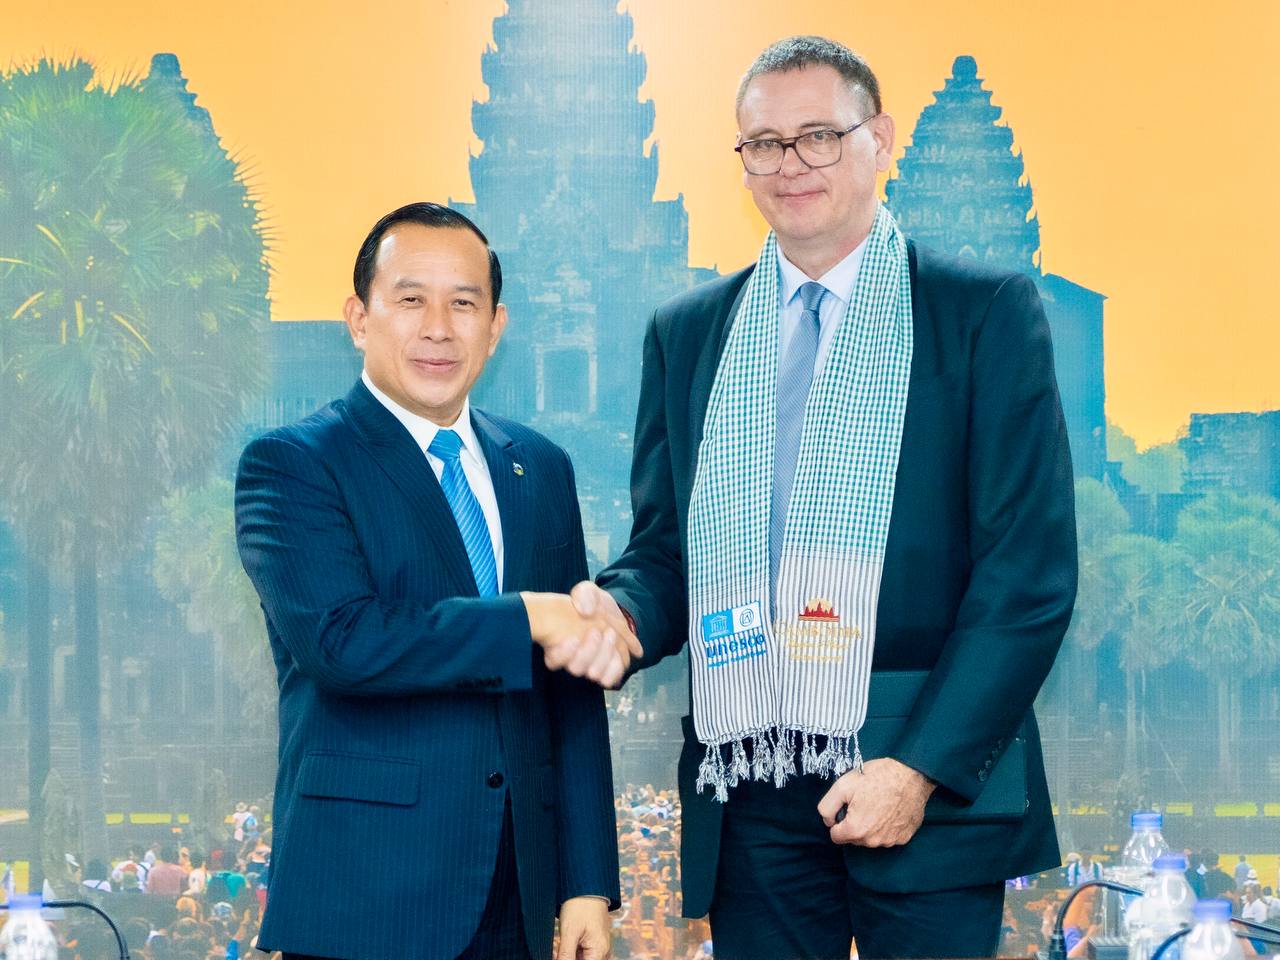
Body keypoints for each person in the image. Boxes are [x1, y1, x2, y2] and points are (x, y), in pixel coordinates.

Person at [578, 34, 1076, 960]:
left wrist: (918, 769)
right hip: (749, 774)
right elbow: (667, 551)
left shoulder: (979, 314)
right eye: (764, 144)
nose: (790, 164)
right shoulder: (689, 334)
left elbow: (1027, 576)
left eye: (819, 136)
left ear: (877, 139)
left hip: (915, 769)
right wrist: (620, 615)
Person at [235, 202, 638, 960]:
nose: (438, 328)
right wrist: (528, 617)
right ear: (359, 318)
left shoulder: (540, 467)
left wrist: (586, 879)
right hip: (365, 895)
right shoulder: (294, 463)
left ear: (496, 326)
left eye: (463, 304)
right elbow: (343, 643)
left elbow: (571, 689)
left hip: (518, 896)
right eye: (411, 299)